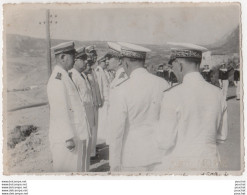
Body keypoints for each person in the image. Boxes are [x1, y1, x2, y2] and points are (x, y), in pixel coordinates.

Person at [156, 42, 228, 172]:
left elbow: (164, 141)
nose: (173, 71)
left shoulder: (173, 94)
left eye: (173, 66)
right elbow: (222, 136)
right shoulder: (217, 93)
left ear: (180, 65)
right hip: (210, 162)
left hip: (181, 164)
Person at [108, 42, 170, 172]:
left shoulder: (121, 89)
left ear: (125, 63)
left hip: (132, 156)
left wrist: (114, 163)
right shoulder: (162, 84)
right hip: (159, 154)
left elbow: (116, 131)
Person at [47, 41, 91, 172]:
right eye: (72, 56)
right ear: (62, 57)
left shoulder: (65, 76)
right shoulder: (57, 79)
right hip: (67, 140)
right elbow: (59, 110)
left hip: (75, 134)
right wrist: (68, 138)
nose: (74, 60)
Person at [68, 47, 94, 171]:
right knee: (82, 148)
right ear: (76, 60)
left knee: (87, 146)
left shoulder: (82, 75)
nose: (85, 62)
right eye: (83, 59)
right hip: (81, 115)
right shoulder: (73, 75)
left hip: (88, 113)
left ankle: (86, 172)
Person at [105, 42, 129, 145]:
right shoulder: (118, 77)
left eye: (109, 58)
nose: (106, 61)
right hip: (115, 128)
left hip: (119, 131)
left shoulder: (122, 79)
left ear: (119, 61)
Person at [85, 45, 103, 157]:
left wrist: (99, 100)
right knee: (90, 128)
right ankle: (90, 152)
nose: (94, 57)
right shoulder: (86, 71)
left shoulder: (93, 70)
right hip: (89, 105)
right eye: (92, 55)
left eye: (95, 55)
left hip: (95, 103)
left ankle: (93, 150)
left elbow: (97, 87)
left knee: (95, 127)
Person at [95, 55, 111, 142]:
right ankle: (100, 139)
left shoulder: (104, 71)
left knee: (105, 119)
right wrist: (100, 99)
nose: (106, 63)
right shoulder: (98, 71)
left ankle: (104, 137)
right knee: (102, 119)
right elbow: (99, 86)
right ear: (100, 62)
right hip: (103, 100)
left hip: (107, 99)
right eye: (105, 62)